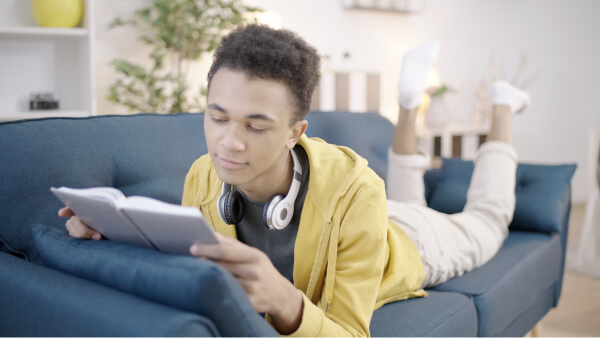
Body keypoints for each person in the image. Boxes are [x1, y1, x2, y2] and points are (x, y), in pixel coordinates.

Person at [59, 24, 530, 336]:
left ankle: (504, 105)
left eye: (255, 126)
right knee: (405, 192)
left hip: (417, 242)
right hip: (371, 219)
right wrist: (106, 233)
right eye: (217, 118)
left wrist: (287, 301)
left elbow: (349, 331)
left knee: (489, 221)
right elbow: (180, 261)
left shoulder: (357, 190)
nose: (228, 143)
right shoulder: (204, 176)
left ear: (295, 132)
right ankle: (408, 103)